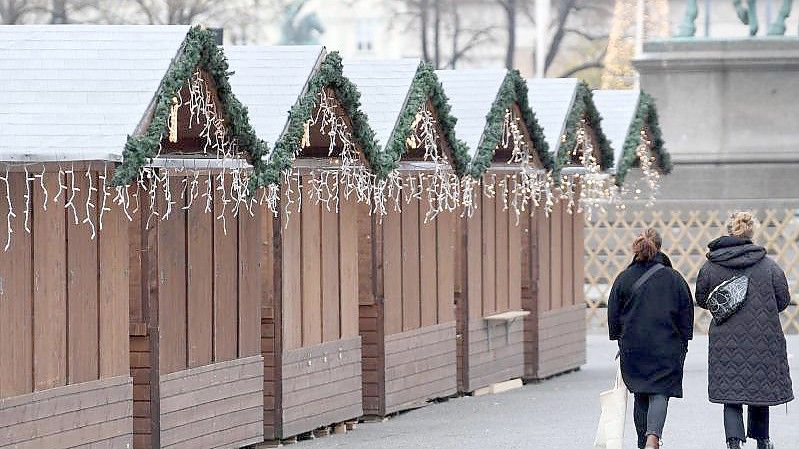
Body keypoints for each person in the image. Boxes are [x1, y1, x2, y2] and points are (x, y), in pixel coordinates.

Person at [696, 212, 793, 449]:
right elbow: (783, 300)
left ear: (729, 230)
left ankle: (733, 441)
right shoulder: (769, 266)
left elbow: (701, 298)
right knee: (759, 388)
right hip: (763, 337)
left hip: (725, 339)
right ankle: (762, 439)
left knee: (731, 390)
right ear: (752, 232)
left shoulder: (711, 266)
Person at [608, 228, 694, 449]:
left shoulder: (624, 278)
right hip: (667, 345)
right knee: (660, 392)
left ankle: (642, 442)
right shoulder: (674, 279)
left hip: (634, 347)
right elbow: (686, 312)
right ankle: (653, 437)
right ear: (660, 248)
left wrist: (618, 337)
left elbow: (613, 314)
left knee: (640, 393)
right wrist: (684, 339)